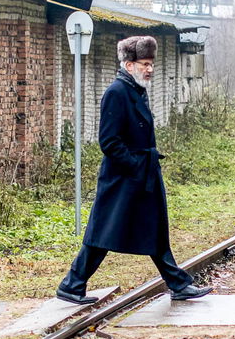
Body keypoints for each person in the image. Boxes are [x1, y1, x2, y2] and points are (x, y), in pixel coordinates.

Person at [57, 35, 212, 305]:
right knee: (103, 232)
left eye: (151, 64)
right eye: (144, 64)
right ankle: (72, 284)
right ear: (129, 65)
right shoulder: (117, 93)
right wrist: (134, 165)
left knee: (155, 229)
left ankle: (178, 284)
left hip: (142, 174)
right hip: (123, 178)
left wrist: (142, 166)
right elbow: (109, 141)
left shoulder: (136, 89)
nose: (150, 69)